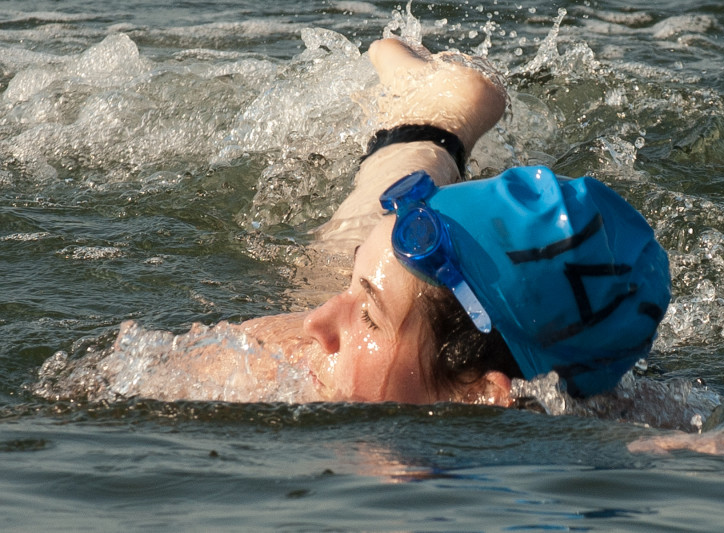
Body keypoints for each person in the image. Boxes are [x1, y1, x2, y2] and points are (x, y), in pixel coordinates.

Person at [41, 38, 670, 407]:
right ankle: (443, 108)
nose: (317, 325)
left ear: (480, 394)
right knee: (348, 248)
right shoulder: (269, 369)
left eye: (366, 317)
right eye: (358, 303)